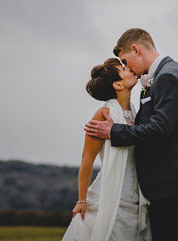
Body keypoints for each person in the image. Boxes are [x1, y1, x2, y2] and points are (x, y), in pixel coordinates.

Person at [84, 29, 178, 241]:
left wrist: (114, 131)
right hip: (165, 185)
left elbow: (160, 129)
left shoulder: (167, 76)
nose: (127, 67)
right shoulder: (161, 75)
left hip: (171, 184)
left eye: (125, 60)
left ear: (136, 50)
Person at [61, 58, 150, 241]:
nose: (130, 69)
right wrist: (81, 200)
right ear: (118, 84)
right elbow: (87, 158)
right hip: (112, 192)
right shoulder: (104, 114)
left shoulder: (133, 110)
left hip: (135, 193)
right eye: (124, 69)